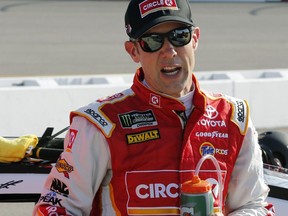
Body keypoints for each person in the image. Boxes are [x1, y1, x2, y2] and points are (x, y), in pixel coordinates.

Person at [33, 0, 274, 215]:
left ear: (196, 39)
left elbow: (254, 205)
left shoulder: (233, 117)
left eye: (179, 36)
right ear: (134, 51)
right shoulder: (100, 123)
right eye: (152, 41)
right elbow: (56, 207)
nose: (169, 51)